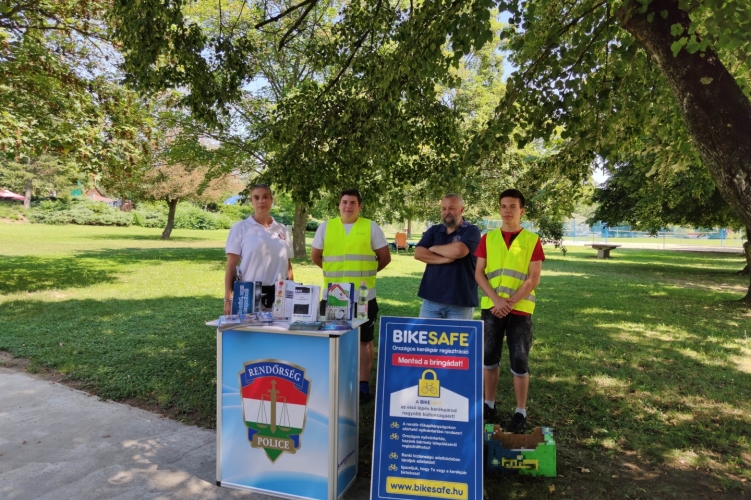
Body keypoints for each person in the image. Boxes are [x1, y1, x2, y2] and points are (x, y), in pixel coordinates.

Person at [311, 189, 391, 404]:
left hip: (363, 296)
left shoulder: (371, 227)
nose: (348, 206)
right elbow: (316, 256)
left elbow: (384, 258)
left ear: (360, 206)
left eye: (353, 202)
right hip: (334, 295)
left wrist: (367, 274)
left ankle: (362, 385)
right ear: (339, 205)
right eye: (344, 202)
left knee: (365, 340)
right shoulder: (326, 227)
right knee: (332, 338)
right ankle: (333, 382)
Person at [474, 189, 545, 433]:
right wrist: (496, 301)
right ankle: (489, 405)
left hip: (520, 310)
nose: (507, 211)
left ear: (521, 211)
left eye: (513, 206)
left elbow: (533, 278)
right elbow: (479, 273)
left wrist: (510, 303)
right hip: (492, 308)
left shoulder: (532, 240)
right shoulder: (488, 238)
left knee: (520, 361)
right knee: (489, 359)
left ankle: (520, 412)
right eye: (503, 206)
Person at [224, 183, 293, 315]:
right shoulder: (240, 228)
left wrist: (291, 294)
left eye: (265, 197)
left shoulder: (282, 229)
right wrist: (228, 298)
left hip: (279, 296)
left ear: (271, 200)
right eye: (256, 197)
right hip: (248, 295)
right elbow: (231, 266)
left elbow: (288, 266)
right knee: (249, 329)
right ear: (251, 201)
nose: (261, 201)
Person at [414, 193, 481, 319]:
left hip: (460, 301)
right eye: (444, 209)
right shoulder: (434, 230)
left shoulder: (471, 230)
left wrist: (433, 248)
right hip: (431, 300)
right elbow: (418, 253)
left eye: (451, 208)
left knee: (458, 334)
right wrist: (445, 259)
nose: (447, 212)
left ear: (461, 209)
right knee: (427, 333)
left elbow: (459, 251)